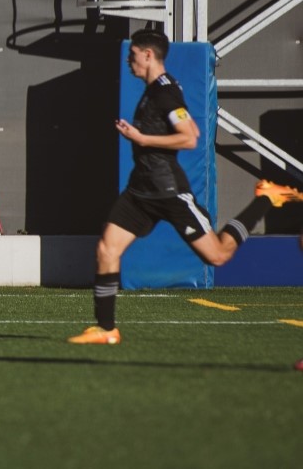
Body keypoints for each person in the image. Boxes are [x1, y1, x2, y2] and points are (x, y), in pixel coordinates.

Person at [69, 29, 303, 344]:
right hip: (140, 191)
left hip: (168, 191)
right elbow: (186, 127)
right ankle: (106, 329)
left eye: (132, 55)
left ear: (148, 55)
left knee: (217, 255)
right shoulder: (155, 90)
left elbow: (190, 137)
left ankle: (266, 199)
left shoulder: (165, 92)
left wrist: (142, 138)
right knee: (106, 250)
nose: (128, 61)